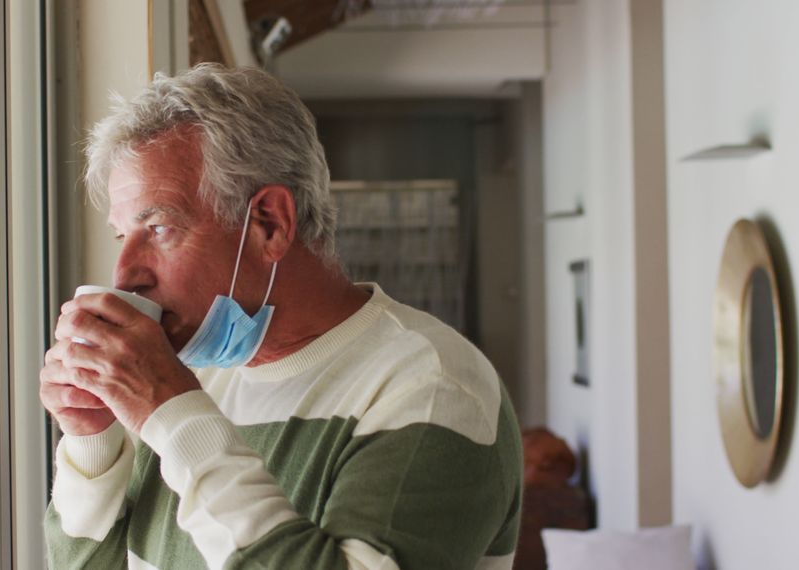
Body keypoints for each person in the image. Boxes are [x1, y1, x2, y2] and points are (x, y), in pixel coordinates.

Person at [40, 64, 522, 570]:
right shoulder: (179, 377)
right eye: (123, 236)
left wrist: (170, 411)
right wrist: (92, 440)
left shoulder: (432, 385)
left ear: (270, 223)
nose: (124, 274)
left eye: (158, 228)